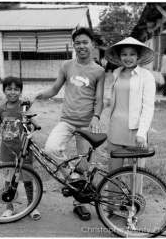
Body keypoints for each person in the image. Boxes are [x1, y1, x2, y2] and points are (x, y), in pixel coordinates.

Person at [29, 27, 105, 221]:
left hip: (86, 125)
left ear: (92, 45)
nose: (81, 46)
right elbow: (55, 89)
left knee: (84, 165)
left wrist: (96, 116)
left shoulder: (99, 71)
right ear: (74, 45)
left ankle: (79, 203)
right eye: (77, 43)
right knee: (50, 148)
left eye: (85, 42)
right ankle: (72, 180)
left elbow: (99, 99)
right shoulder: (67, 66)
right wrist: (38, 94)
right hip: (67, 121)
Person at [104, 37, 156, 194]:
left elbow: (148, 106)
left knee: (136, 174)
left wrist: (142, 133)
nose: (128, 58)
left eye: (132, 54)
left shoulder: (146, 76)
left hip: (135, 132)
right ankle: (112, 206)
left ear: (138, 57)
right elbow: (111, 100)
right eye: (124, 54)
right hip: (115, 129)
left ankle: (134, 207)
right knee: (113, 172)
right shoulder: (116, 73)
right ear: (119, 57)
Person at [0, 77, 41, 220]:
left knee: (27, 179)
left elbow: (31, 120)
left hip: (24, 149)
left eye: (16, 89)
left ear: (20, 91)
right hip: (7, 150)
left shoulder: (24, 107)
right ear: (4, 91)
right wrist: (3, 133)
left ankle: (31, 206)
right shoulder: (1, 109)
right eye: (9, 89)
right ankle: (9, 207)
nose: (13, 92)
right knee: (9, 180)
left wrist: (33, 123)